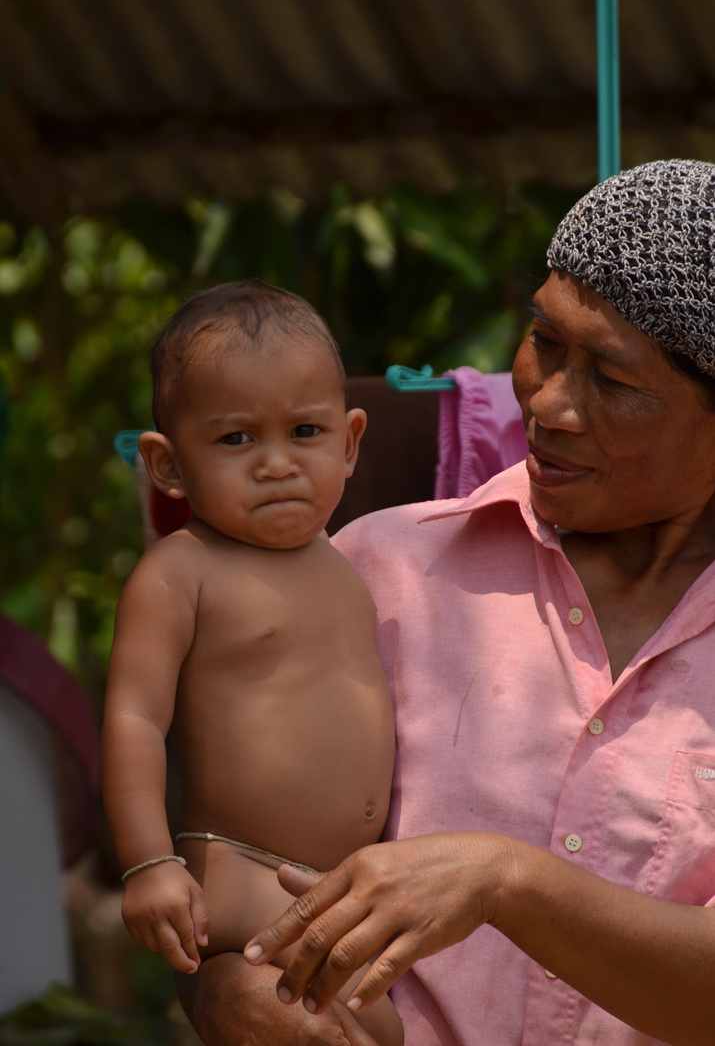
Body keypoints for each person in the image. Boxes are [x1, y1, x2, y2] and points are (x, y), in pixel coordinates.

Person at [176, 159, 715, 1046]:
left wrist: (507, 881)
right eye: (544, 339)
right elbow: (240, 868)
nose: (547, 402)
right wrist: (226, 988)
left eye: (612, 382)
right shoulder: (374, 575)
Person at [101, 281, 403, 1046]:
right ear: (168, 465)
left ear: (349, 441)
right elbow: (134, 718)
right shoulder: (181, 571)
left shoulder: (348, 561)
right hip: (241, 873)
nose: (276, 464)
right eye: (236, 440)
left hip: (337, 885)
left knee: (382, 1035)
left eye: (304, 431)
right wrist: (146, 863)